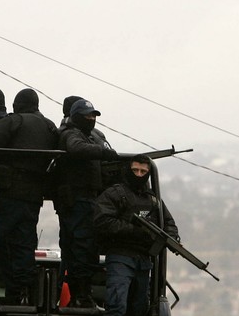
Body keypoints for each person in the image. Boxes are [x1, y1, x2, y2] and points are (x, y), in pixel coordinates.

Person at [0, 88, 59, 305]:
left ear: (17, 104)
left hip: (9, 194)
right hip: (33, 198)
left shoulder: (15, 121)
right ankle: (21, 296)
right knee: (23, 247)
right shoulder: (50, 127)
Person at [94, 154, 180, 316]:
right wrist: (134, 230)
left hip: (144, 259)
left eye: (143, 171)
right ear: (128, 170)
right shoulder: (116, 193)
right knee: (117, 306)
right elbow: (102, 221)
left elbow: (168, 223)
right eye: (135, 170)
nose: (139, 175)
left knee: (139, 308)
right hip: (121, 255)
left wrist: (170, 238)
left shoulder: (153, 199)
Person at [54, 99, 119, 308]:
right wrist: (102, 152)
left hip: (87, 199)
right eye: (88, 116)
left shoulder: (92, 135)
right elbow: (76, 148)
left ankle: (81, 295)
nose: (92, 119)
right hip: (77, 200)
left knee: (83, 249)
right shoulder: (70, 133)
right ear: (76, 117)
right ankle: (80, 296)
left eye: (94, 116)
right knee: (81, 249)